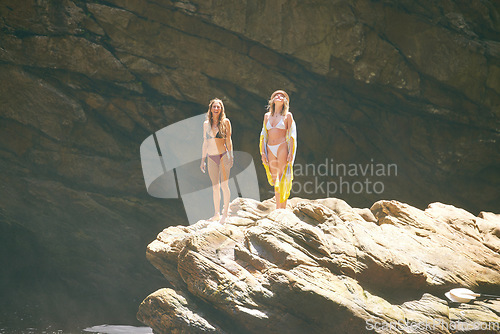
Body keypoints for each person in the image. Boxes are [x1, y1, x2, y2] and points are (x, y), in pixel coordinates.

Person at [259, 90, 297, 209]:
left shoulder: (288, 116)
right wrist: (262, 153)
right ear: (272, 100)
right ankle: (278, 207)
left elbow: (291, 134)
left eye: (282, 96)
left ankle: (283, 207)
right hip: (270, 147)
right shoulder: (267, 116)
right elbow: (263, 135)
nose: (279, 96)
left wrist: (291, 152)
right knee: (275, 177)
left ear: (285, 101)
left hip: (282, 146)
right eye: (276, 95)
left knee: (282, 176)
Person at [200, 98, 234, 223]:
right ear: (210, 109)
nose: (216, 109)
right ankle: (216, 213)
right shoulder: (206, 124)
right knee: (215, 187)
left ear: (221, 109)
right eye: (214, 107)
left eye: (218, 107)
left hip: (223, 156)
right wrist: (202, 159)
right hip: (211, 157)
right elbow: (205, 142)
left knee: (224, 185)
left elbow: (229, 140)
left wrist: (231, 155)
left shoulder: (226, 122)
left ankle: (225, 214)